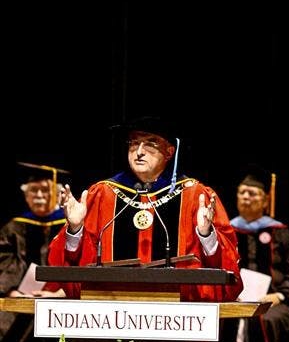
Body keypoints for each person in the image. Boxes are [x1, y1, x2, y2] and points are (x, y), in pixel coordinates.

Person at [48, 115, 243, 307]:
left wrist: (206, 234)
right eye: (134, 143)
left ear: (169, 151)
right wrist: (74, 230)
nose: (139, 151)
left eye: (150, 143)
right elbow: (73, 261)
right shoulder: (102, 193)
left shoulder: (195, 195)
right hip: (110, 310)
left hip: (179, 315)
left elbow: (226, 264)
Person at [221, 166, 289, 342]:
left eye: (252, 193)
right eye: (242, 192)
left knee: (265, 320)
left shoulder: (282, 233)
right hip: (234, 300)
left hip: (273, 300)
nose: (246, 197)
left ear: (266, 201)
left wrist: (279, 296)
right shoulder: (226, 232)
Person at [0, 162, 69, 342]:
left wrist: (61, 294)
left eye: (45, 190)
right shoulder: (13, 228)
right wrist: (12, 291)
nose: (39, 196)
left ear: (58, 193)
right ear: (25, 194)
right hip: (19, 303)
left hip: (61, 301)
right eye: (34, 190)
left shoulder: (69, 226)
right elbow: (5, 263)